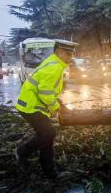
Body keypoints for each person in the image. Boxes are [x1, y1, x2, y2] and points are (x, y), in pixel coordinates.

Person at [15, 40, 75, 178]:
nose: (70, 56)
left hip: (33, 105)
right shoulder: (54, 67)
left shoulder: (54, 63)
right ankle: (22, 152)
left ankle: (49, 171)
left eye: (72, 53)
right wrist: (58, 108)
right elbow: (45, 94)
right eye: (67, 53)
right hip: (31, 107)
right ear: (58, 51)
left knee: (47, 137)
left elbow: (48, 90)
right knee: (49, 133)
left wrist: (59, 103)